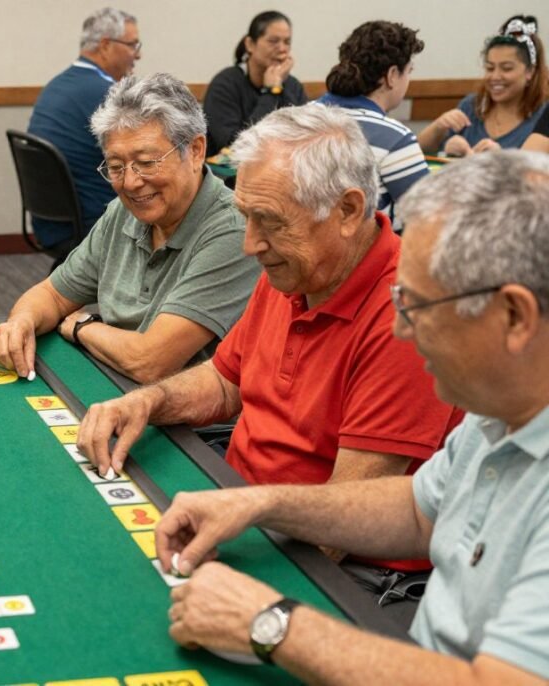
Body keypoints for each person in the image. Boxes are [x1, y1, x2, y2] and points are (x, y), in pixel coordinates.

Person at [153, 150, 549, 683]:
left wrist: (273, 625)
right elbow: (416, 512)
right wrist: (261, 503)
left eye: (419, 308)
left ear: (515, 316)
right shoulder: (501, 408)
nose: (403, 329)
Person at [78, 104, 462, 600]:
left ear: (347, 211)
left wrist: (234, 575)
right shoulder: (296, 269)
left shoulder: (406, 317)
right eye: (246, 218)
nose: (250, 245)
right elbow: (224, 382)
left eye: (270, 222)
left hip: (338, 567)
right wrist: (147, 402)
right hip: (238, 499)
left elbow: (342, 523)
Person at [0, 74, 258, 384]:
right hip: (113, 381)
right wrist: (21, 322)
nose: (130, 182)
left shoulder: (234, 231)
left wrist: (83, 326)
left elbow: (150, 361)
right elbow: (53, 295)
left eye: (147, 162)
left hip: (183, 407)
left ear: (195, 150)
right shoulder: (123, 212)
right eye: (115, 166)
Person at [27, 7, 140, 253]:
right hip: (96, 225)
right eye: (133, 45)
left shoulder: (56, 86)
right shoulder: (109, 95)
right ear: (106, 45)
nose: (138, 55)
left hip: (51, 224)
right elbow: (145, 158)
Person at [317, 21, 429, 221]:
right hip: (364, 240)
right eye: (409, 71)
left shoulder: (294, 119)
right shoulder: (395, 139)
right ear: (392, 75)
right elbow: (430, 217)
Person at [419, 15, 548, 155]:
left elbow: (535, 166)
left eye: (506, 68)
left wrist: (500, 158)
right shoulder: (471, 106)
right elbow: (417, 150)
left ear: (530, 71)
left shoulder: (543, 117)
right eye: (490, 68)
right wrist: (439, 129)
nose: (495, 77)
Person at [204, 11, 307, 157]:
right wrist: (271, 92)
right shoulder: (225, 84)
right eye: (273, 41)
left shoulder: (292, 85)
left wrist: (280, 86)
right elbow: (235, 146)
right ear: (250, 44)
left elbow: (304, 137)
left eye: (287, 42)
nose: (282, 49)